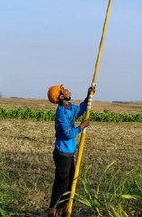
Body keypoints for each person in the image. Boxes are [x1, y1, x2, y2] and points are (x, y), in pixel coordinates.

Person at [46, 83, 95, 217]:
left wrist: (88, 95)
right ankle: (53, 209)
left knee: (69, 182)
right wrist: (81, 127)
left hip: (69, 153)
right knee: (62, 183)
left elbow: (80, 110)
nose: (67, 90)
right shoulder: (61, 113)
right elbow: (68, 133)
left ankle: (63, 209)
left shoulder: (69, 107)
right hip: (62, 154)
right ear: (61, 96)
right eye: (63, 90)